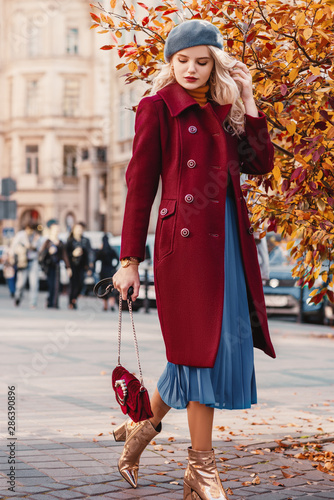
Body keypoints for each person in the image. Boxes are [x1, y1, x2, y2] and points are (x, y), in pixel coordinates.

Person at [111, 20, 276, 500]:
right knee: (200, 352)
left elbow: (260, 163)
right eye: (182, 60)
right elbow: (140, 186)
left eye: (202, 61)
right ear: (170, 62)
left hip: (227, 240)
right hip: (183, 247)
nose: (190, 69)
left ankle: (141, 430)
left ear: (214, 64)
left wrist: (247, 100)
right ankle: (201, 470)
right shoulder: (156, 107)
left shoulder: (225, 110)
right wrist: (128, 259)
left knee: (204, 350)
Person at [10, 222, 43, 308]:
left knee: (34, 283)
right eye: (29, 230)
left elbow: (40, 248)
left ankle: (33, 302)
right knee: (21, 283)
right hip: (22, 261)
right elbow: (13, 246)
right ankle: (18, 297)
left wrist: (33, 246)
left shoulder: (36, 236)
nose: (30, 232)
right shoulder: (20, 235)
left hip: (33, 260)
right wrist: (12, 257)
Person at [39, 219, 71, 308]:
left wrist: (68, 267)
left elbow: (64, 256)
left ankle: (55, 303)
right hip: (49, 267)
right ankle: (50, 301)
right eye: (55, 229)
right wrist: (48, 251)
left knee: (57, 285)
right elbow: (41, 254)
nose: (57, 231)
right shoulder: (47, 242)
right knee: (51, 285)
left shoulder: (60, 242)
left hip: (57, 266)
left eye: (58, 229)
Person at [65, 222, 93, 309]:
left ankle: (74, 299)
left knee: (81, 284)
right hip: (73, 265)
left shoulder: (85, 240)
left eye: (80, 229)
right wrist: (73, 254)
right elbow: (65, 255)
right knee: (73, 284)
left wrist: (89, 266)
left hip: (82, 266)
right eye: (77, 229)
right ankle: (71, 301)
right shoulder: (70, 241)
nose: (79, 231)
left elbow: (89, 254)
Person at [95, 234, 119, 311]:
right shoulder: (111, 250)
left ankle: (105, 305)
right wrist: (114, 267)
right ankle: (112, 304)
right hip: (110, 270)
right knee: (111, 287)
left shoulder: (101, 251)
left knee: (103, 287)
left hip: (103, 271)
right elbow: (117, 260)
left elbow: (96, 259)